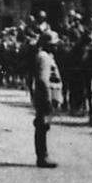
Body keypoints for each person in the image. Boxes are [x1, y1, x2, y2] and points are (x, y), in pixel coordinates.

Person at [31, 30, 63, 168]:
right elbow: (43, 80)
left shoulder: (46, 55)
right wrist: (48, 99)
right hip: (45, 96)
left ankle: (43, 156)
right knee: (42, 125)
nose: (56, 46)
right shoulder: (44, 57)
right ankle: (42, 157)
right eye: (54, 44)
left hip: (46, 96)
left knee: (43, 125)